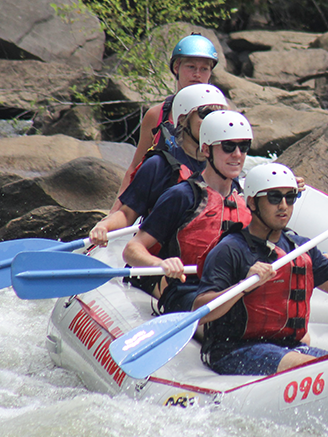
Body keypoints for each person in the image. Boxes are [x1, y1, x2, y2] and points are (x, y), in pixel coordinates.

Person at [193, 163, 328, 376]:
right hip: (234, 350)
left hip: (289, 347)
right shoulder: (230, 249)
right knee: (324, 370)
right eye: (274, 198)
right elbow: (198, 312)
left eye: (289, 197)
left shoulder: (300, 247)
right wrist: (242, 287)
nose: (283, 205)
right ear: (253, 202)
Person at [121, 110, 253, 312]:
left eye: (243, 147)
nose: (237, 154)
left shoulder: (246, 201)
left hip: (227, 289)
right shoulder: (182, 196)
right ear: (207, 150)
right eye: (228, 147)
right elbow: (132, 249)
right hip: (185, 288)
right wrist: (161, 264)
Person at [89, 84, 228, 247]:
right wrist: (104, 226)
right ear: (183, 119)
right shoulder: (158, 165)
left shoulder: (225, 167)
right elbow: (127, 214)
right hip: (161, 264)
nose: (213, 122)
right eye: (206, 114)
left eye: (219, 115)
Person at [114, 33, 219, 209]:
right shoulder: (156, 115)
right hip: (162, 207)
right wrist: (111, 217)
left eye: (204, 69)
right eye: (191, 67)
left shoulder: (220, 115)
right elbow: (135, 168)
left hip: (205, 207)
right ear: (177, 67)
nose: (197, 75)